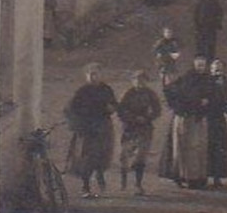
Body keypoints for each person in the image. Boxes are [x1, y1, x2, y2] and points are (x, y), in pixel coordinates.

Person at [159, 56, 212, 190]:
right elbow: (180, 96)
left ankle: (198, 178)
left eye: (203, 65)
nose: (201, 68)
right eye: (198, 65)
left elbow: (212, 95)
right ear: (194, 65)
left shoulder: (207, 79)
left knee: (198, 148)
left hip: (199, 118)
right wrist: (198, 101)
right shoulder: (186, 80)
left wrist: (206, 102)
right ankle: (184, 176)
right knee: (184, 148)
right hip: (185, 117)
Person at [65, 65, 117, 199]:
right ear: (86, 76)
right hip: (87, 129)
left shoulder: (106, 89)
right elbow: (71, 109)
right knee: (86, 157)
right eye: (90, 74)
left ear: (101, 75)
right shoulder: (82, 91)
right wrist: (78, 124)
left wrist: (111, 108)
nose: (93, 77)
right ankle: (85, 186)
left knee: (103, 154)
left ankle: (100, 175)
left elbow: (114, 104)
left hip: (103, 127)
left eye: (96, 74)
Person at [115, 70, 163, 196]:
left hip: (145, 128)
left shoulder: (150, 94)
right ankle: (123, 182)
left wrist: (147, 118)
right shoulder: (127, 94)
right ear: (132, 81)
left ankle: (138, 184)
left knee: (140, 156)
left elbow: (157, 110)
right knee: (124, 155)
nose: (139, 82)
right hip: (129, 129)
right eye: (136, 79)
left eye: (142, 80)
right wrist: (133, 118)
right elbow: (120, 111)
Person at [205, 60, 227, 189]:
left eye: (220, 68)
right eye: (215, 68)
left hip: (218, 118)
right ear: (211, 69)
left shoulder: (224, 81)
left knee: (219, 147)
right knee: (205, 145)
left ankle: (217, 177)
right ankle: (203, 176)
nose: (217, 70)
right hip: (206, 117)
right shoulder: (206, 81)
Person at [193, 0, 224, 64]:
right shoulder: (200, 3)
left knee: (210, 43)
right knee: (201, 43)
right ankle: (201, 57)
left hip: (210, 27)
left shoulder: (214, 3)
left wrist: (218, 23)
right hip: (202, 27)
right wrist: (196, 25)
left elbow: (219, 14)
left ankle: (209, 58)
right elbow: (196, 15)